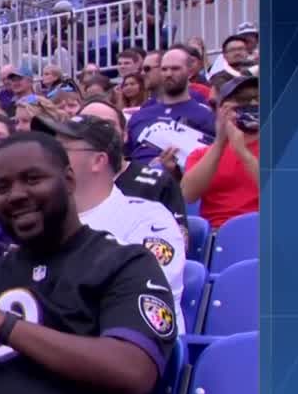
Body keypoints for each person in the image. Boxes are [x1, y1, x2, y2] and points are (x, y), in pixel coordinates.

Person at [0, 132, 179, 394]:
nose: (17, 195)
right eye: (2, 187)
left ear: (69, 180)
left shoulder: (125, 263)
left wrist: (3, 324)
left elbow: (134, 372)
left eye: (32, 179)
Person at [33, 115, 186, 330]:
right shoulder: (42, 221)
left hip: (128, 346)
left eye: (61, 149)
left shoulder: (147, 218)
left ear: (98, 161)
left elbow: (145, 291)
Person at [78, 99, 189, 242]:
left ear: (125, 135)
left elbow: (179, 243)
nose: (98, 133)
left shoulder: (158, 183)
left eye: (107, 125)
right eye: (87, 125)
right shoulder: (64, 183)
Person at [182, 75, 260, 228]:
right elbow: (188, 195)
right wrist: (219, 143)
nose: (253, 104)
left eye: (258, 98)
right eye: (243, 99)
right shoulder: (201, 154)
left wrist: (243, 153)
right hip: (218, 234)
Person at [125, 47, 215, 164]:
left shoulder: (206, 116)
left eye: (175, 69)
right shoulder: (139, 116)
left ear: (189, 72)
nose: (168, 74)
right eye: (164, 69)